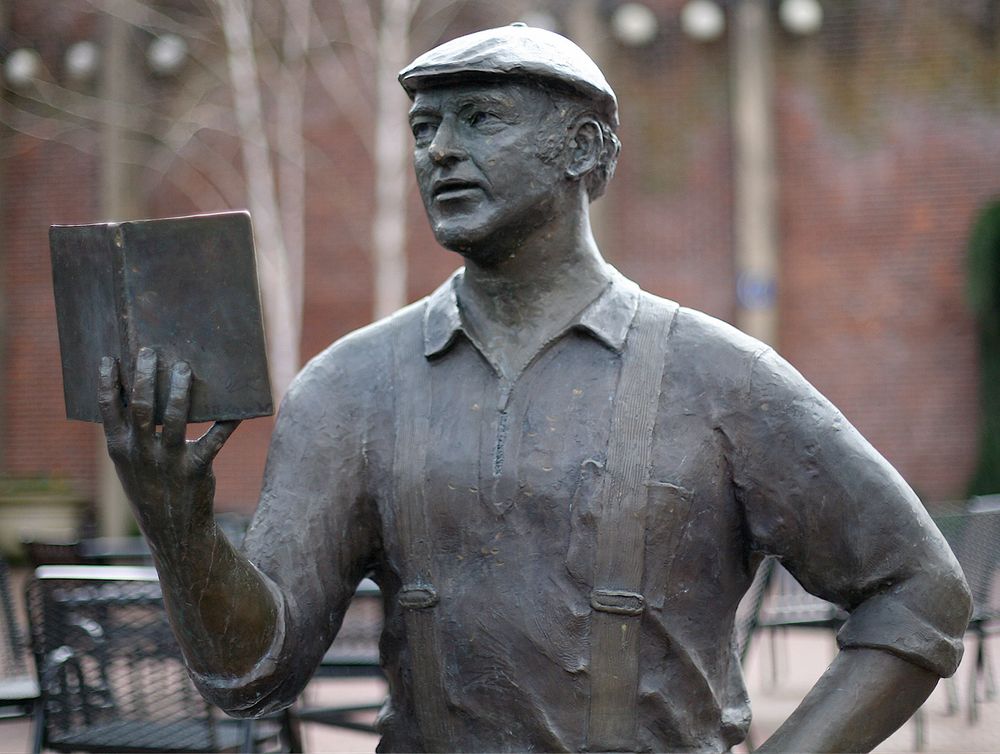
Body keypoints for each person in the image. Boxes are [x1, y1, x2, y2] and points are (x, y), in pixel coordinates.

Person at [99, 24, 971, 754]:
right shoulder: (348, 389)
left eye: (480, 119)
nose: (440, 150)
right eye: (423, 127)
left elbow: (920, 589)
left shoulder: (720, 379)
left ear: (583, 146)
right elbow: (254, 677)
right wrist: (178, 526)